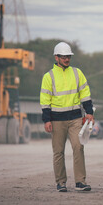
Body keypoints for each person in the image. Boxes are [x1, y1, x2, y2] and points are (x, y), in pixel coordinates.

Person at [40, 42, 94, 192]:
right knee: (58, 152)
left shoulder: (77, 73)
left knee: (78, 147)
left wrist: (89, 112)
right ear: (56, 57)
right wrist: (47, 120)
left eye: (68, 56)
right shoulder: (48, 76)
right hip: (57, 120)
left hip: (75, 118)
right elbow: (45, 100)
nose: (67, 59)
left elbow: (85, 94)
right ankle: (61, 182)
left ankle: (80, 182)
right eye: (64, 56)